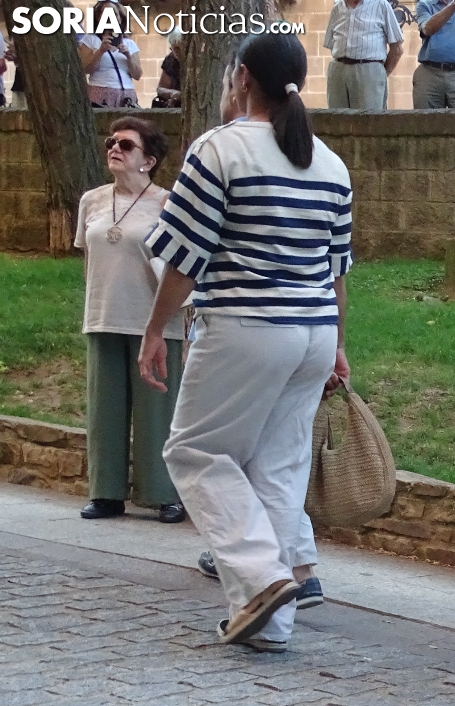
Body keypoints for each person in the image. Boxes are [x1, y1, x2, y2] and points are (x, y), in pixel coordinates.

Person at [139, 33, 353, 651]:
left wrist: (155, 328)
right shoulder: (330, 164)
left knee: (195, 451)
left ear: (241, 79)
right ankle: (270, 624)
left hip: (246, 325)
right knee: (279, 469)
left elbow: (184, 256)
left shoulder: (219, 148)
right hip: (313, 331)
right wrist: (339, 343)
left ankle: (261, 577)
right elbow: (337, 270)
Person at [75, 117, 185, 526]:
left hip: (154, 321)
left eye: (125, 144)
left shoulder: (167, 203)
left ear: (148, 160)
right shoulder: (92, 201)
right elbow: (88, 260)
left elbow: (179, 266)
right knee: (104, 410)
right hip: (105, 315)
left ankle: (164, 494)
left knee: (157, 410)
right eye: (111, 142)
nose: (114, 149)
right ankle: (106, 493)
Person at [324, 0, 405, 111]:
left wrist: (380, 73)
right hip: (338, 70)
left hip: (369, 70)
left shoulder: (381, 5)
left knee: (368, 119)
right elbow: (331, 43)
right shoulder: (337, 7)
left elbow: (397, 49)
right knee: (336, 118)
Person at [78, 3, 140, 109]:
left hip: (127, 95)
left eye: (114, 13)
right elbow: (86, 69)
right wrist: (100, 51)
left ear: (120, 18)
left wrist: (128, 56)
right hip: (100, 92)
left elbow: (137, 75)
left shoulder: (130, 43)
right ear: (98, 18)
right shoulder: (90, 39)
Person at [153, 31, 183, 108]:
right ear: (171, 49)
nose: (180, 52)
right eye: (176, 49)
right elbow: (160, 89)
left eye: (182, 47)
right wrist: (172, 93)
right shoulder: (170, 60)